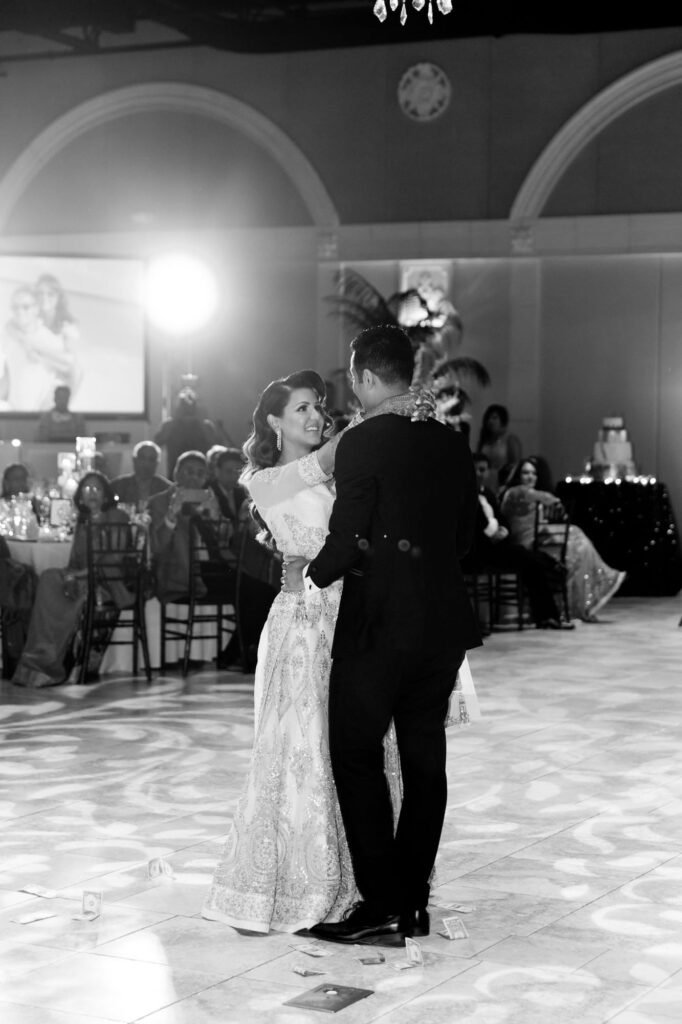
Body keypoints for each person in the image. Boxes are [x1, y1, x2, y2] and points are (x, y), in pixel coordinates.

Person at [278, 325, 481, 947]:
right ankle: (413, 900)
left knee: (356, 754)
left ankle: (382, 901)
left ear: (364, 377)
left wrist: (305, 576)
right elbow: (470, 536)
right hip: (442, 628)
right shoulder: (450, 444)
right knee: (425, 763)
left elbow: (346, 537)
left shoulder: (364, 441)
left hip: (378, 629)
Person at [148, 451, 275, 666]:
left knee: (264, 593)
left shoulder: (208, 498)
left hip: (213, 569)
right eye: (188, 472)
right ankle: (238, 653)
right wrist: (172, 514)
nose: (193, 478)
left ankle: (237, 652)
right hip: (180, 572)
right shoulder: (160, 501)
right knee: (254, 593)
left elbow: (225, 541)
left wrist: (216, 518)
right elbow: (157, 547)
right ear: (176, 472)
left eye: (199, 474)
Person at [12, 472, 133, 688]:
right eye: (86, 489)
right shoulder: (83, 521)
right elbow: (75, 561)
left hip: (106, 582)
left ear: (106, 496)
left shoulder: (117, 516)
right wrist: (69, 575)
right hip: (83, 577)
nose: (92, 493)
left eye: (97, 489)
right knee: (49, 577)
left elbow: (113, 558)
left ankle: (53, 664)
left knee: (61, 588)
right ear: (80, 497)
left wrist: (76, 575)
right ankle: (36, 663)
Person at [500, 457, 626, 621]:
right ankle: (578, 603)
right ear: (518, 476)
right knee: (576, 542)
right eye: (525, 473)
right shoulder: (516, 492)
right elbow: (545, 499)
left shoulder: (531, 496)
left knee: (577, 540)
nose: (531, 477)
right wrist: (556, 503)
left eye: (534, 473)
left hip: (537, 538)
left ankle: (578, 604)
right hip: (524, 543)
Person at [463, 453, 574, 630]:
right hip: (481, 548)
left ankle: (547, 617)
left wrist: (503, 530)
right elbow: (473, 525)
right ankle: (551, 565)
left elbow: (502, 519)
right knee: (526, 555)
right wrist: (492, 533)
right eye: (476, 469)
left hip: (497, 544)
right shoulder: (465, 495)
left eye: (483, 469)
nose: (479, 473)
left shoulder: (488, 494)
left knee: (531, 563)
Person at [0, 286, 76, 412]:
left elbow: (68, 375)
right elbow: (8, 378)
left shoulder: (51, 340)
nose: (20, 311)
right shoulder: (10, 338)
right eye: (15, 307)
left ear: (36, 308)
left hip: (40, 418)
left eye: (25, 307)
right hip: (13, 417)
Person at [154, 388, 219, 478]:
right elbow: (158, 443)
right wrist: (174, 420)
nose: (188, 409)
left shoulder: (206, 426)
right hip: (175, 473)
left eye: (191, 406)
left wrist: (201, 421)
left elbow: (215, 444)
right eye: (184, 406)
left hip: (201, 474)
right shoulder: (169, 425)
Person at [35, 274, 83, 396]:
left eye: (50, 294)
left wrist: (39, 351)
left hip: (56, 379)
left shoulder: (67, 325)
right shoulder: (33, 318)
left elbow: (70, 362)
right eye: (40, 293)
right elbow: (10, 326)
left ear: (58, 297)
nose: (44, 297)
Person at [111, 441, 171, 509]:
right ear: (134, 460)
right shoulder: (117, 486)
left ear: (157, 463)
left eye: (151, 459)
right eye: (142, 458)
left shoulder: (167, 489)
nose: (146, 463)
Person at [476, 404, 522, 493]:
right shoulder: (485, 439)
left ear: (502, 420)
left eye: (494, 418)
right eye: (488, 418)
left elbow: (515, 465)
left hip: (503, 483)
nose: (490, 421)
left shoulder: (510, 439)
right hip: (484, 481)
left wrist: (506, 484)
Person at [208, 448, 249, 528]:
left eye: (238, 471)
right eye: (228, 471)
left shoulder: (243, 493)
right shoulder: (208, 493)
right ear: (217, 471)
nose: (234, 476)